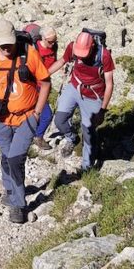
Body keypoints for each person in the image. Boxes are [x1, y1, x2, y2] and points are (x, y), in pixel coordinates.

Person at [0, 19, 51, 223]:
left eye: (9, 44)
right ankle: (11, 190)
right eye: (2, 45)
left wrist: (37, 112)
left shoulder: (29, 53)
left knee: (15, 159)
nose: (6, 48)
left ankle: (19, 205)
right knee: (6, 156)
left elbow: (45, 83)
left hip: (26, 118)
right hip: (0, 119)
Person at [48, 27, 114, 172]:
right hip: (74, 87)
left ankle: (87, 167)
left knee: (88, 132)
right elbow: (61, 62)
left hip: (93, 95)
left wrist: (102, 110)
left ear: (92, 46)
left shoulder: (104, 55)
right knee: (60, 120)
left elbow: (109, 84)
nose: (82, 57)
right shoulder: (73, 47)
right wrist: (44, 75)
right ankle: (72, 138)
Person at [20, 23, 58, 147]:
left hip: (45, 85)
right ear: (42, 38)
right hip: (34, 86)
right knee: (46, 115)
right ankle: (37, 136)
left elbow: (53, 62)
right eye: (50, 42)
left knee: (39, 112)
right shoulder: (33, 49)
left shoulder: (54, 47)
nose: (52, 44)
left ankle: (31, 135)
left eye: (54, 41)